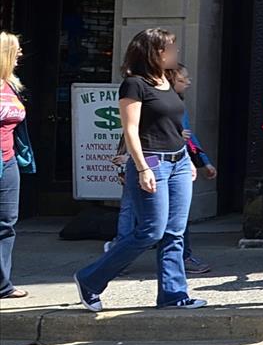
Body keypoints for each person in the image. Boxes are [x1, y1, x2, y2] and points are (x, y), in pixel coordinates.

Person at [76, 28, 204, 311]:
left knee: (175, 232)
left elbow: (173, 124)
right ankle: (90, 279)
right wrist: (142, 168)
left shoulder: (167, 80)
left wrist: (190, 161)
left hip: (179, 161)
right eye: (169, 48)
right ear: (153, 52)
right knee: (151, 231)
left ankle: (174, 294)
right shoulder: (134, 85)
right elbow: (130, 130)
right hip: (152, 161)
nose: (175, 53)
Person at [166, 64, 218, 275]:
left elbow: (188, 137)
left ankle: (181, 259)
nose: (188, 82)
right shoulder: (151, 99)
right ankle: (116, 253)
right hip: (157, 165)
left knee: (174, 219)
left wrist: (201, 161)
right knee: (150, 226)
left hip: (177, 163)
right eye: (183, 79)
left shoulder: (178, 104)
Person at [0, 33, 26, 301]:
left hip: (8, 159)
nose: (20, 55)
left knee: (6, 222)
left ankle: (2, 285)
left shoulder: (11, 85)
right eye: (16, 51)